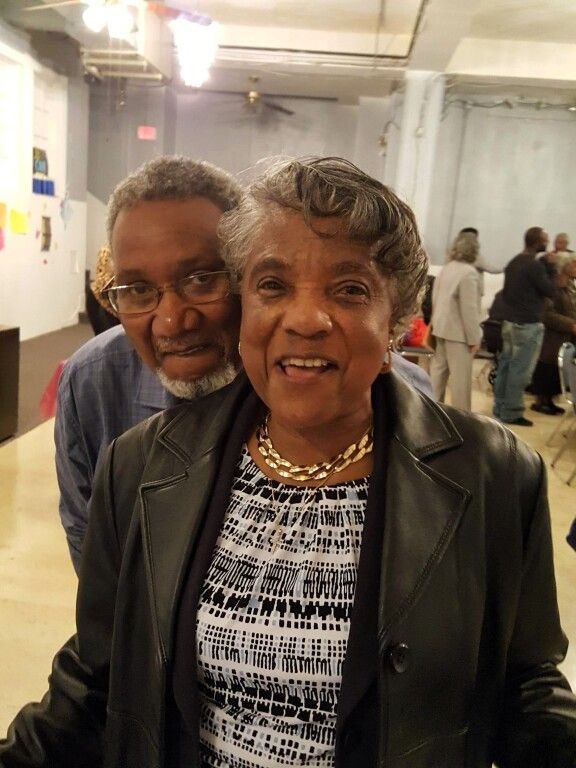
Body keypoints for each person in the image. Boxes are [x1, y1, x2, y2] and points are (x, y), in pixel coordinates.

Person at [2, 157, 575, 767]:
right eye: (273, 285)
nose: (305, 319)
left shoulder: (490, 473)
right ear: (246, 303)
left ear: (397, 319)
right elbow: (99, 673)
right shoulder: (141, 462)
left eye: (350, 289)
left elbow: (526, 686)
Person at [56, 155, 433, 574]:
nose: (171, 322)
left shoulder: (394, 399)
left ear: (244, 276)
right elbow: (92, 550)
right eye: (139, 289)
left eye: (202, 279)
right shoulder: (93, 382)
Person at [492, 226, 554, 426]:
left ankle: (499, 407)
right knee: (520, 370)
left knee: (506, 366)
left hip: (510, 321)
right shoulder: (534, 266)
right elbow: (550, 290)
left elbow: (506, 293)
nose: (548, 243)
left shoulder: (514, 262)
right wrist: (551, 267)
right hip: (527, 324)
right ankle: (512, 412)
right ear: (538, 242)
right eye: (545, 239)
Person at [429, 232, 482, 411]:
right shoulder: (469, 273)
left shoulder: (447, 268)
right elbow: (469, 309)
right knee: (461, 383)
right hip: (459, 335)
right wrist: (474, 338)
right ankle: (463, 419)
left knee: (437, 378)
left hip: (440, 328)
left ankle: (430, 413)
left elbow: (435, 298)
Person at [531, 252, 576, 414]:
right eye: (574, 264)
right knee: (548, 368)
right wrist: (571, 324)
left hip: (565, 335)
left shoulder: (569, 285)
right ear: (564, 266)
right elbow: (547, 314)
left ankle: (550, 400)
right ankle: (542, 401)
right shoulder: (553, 285)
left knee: (558, 369)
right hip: (552, 336)